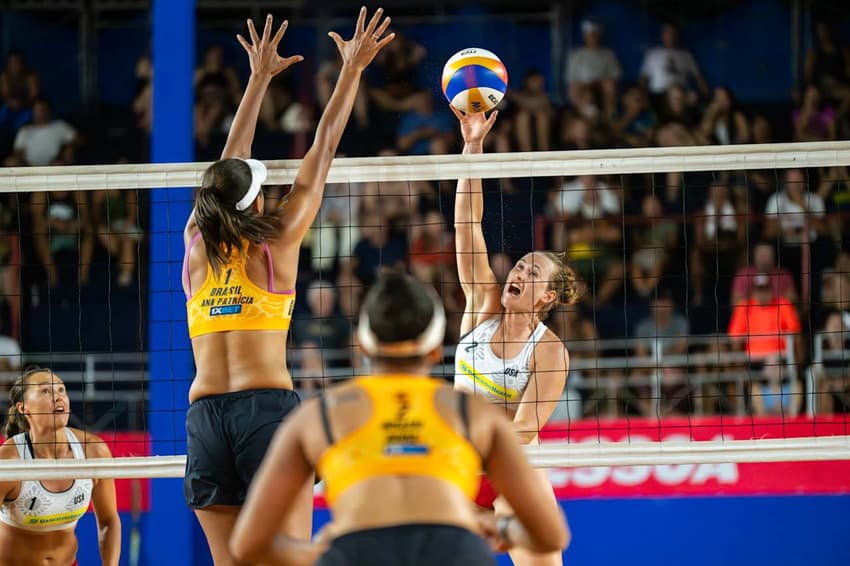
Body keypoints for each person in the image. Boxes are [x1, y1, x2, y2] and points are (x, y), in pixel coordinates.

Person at [182, 10, 394, 564]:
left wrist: (257, 81)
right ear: (255, 199)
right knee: (290, 555)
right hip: (264, 412)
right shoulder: (274, 243)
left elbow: (225, 168)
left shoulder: (194, 248)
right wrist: (351, 69)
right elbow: (321, 150)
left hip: (204, 417)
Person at [230, 271, 570, 565]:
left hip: (359, 550)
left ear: (362, 346)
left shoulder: (319, 415)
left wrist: (327, 555)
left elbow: (248, 544)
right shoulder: (474, 414)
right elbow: (551, 535)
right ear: (436, 351)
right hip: (455, 551)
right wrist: (500, 527)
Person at [451, 107, 579, 566]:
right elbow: (467, 225)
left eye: (531, 271)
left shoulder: (548, 350)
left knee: (537, 543)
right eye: (520, 264)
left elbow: (525, 431)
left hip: (511, 471)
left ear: (546, 297)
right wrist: (473, 146)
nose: (518, 271)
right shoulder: (481, 304)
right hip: (459, 466)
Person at [0, 367, 120, 566]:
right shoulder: (9, 461)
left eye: (61, 390)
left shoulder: (93, 451)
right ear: (23, 407)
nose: (57, 397)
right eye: (46, 391)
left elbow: (109, 521)